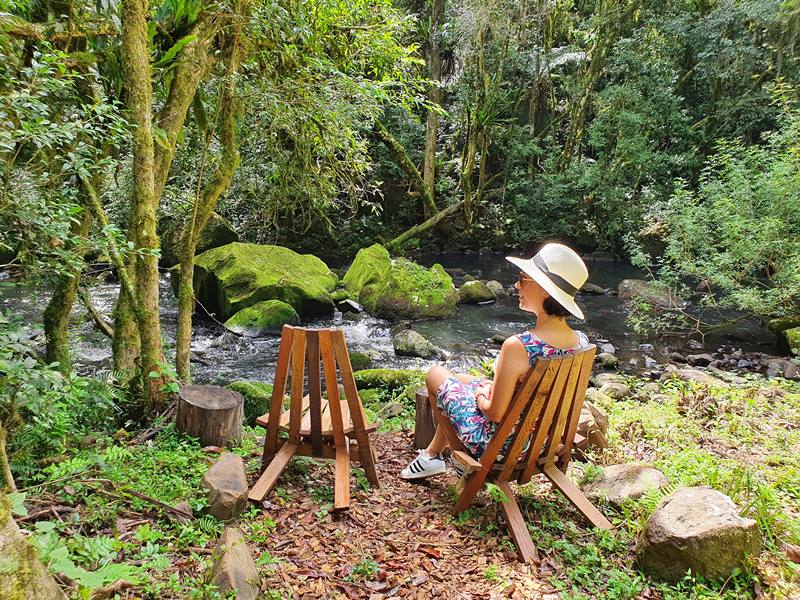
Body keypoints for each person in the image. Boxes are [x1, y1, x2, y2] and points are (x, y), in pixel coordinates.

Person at [400, 242, 591, 480]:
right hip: (544, 442)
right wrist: (490, 389)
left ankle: (455, 458)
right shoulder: (581, 342)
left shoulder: (519, 346)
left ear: (544, 289)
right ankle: (432, 455)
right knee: (460, 378)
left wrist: (482, 397)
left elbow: (496, 414)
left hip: (503, 448)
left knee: (435, 375)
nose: (516, 284)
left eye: (523, 278)